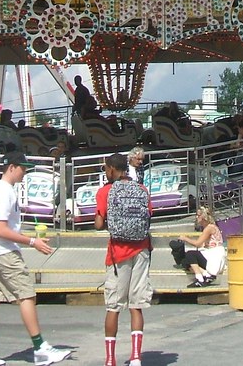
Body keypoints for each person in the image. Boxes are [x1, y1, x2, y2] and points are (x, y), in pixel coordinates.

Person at [0, 151, 70, 366]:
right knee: (26, 295)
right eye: (23, 168)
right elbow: (2, 230)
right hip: (3, 250)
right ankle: (40, 347)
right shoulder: (4, 192)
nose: (25, 172)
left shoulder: (4, 190)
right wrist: (32, 242)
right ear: (11, 167)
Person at [95, 152, 152, 366]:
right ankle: (136, 357)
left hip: (118, 253)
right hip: (142, 250)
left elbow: (99, 224)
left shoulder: (105, 192)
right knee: (136, 305)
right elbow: (147, 219)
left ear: (111, 168)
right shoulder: (141, 189)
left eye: (105, 168)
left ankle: (110, 359)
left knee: (113, 306)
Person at [177, 206, 224, 288]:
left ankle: (200, 279)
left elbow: (197, 243)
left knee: (190, 254)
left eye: (198, 215)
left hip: (214, 257)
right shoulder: (208, 227)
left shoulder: (209, 228)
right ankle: (206, 275)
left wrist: (185, 238)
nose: (196, 217)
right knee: (185, 261)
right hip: (211, 255)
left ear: (204, 217)